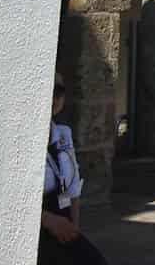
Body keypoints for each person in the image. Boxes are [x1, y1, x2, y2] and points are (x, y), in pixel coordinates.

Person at [41, 77, 106, 264]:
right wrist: (48, 220)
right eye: (48, 88)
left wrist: (75, 230)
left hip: (65, 222)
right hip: (39, 226)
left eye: (59, 90)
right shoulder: (21, 138)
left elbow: (73, 187)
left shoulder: (63, 133)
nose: (53, 96)